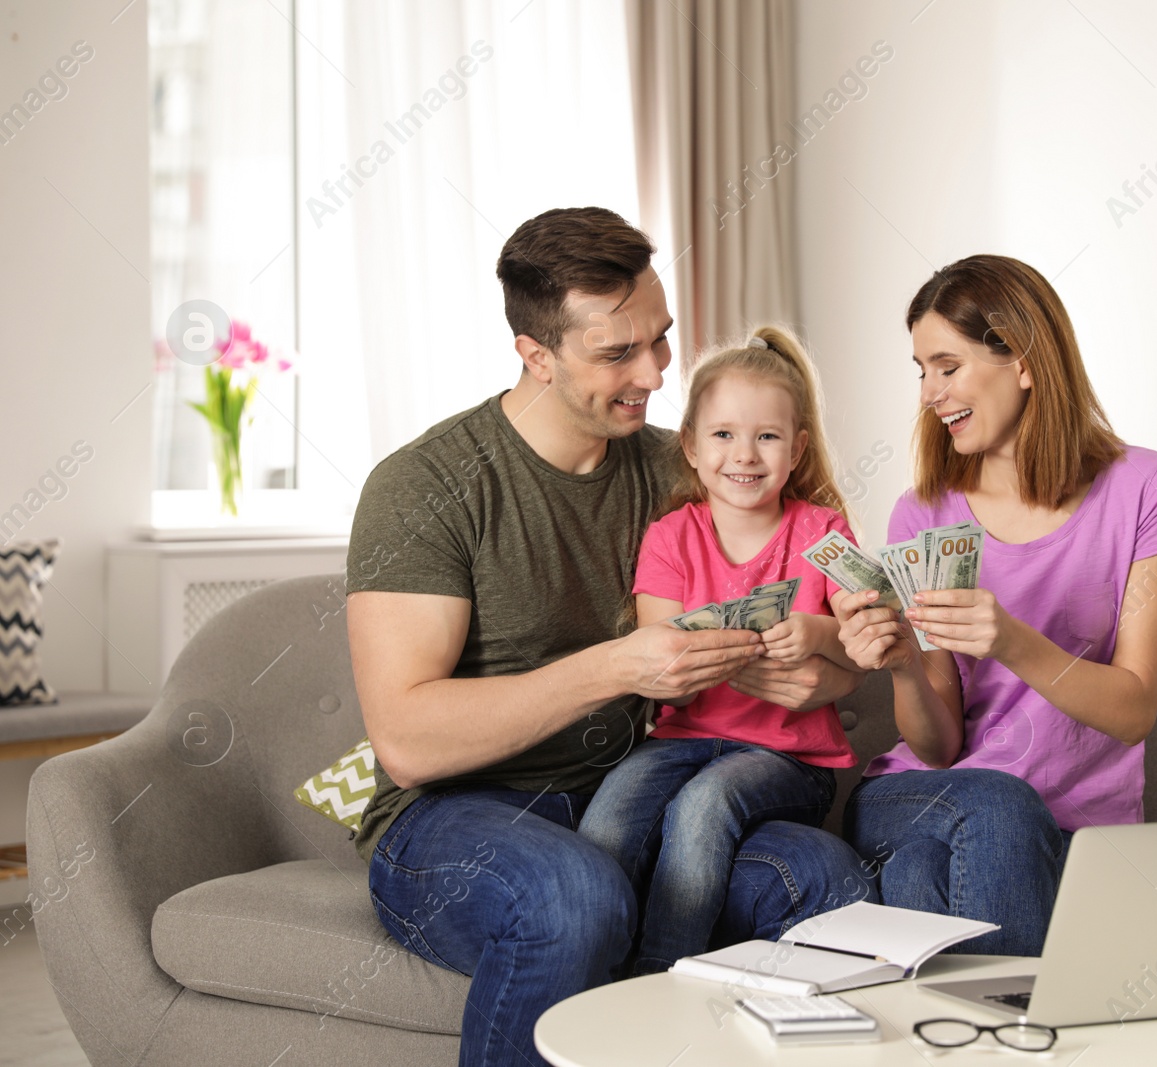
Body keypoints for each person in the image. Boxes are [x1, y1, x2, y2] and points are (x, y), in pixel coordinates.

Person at [345, 207, 870, 1066]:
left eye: (660, 340)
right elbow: (407, 741)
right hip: (456, 816)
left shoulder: (688, 468)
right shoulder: (427, 485)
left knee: (822, 875)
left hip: (641, 791)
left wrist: (824, 665)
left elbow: (825, 567)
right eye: (617, 352)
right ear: (536, 354)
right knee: (575, 894)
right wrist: (617, 665)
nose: (656, 372)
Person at [834, 254, 1157, 956]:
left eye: (947, 366)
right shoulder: (925, 512)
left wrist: (1009, 640)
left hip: (1073, 822)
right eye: (921, 370)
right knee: (993, 803)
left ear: (1024, 362)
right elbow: (938, 748)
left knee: (919, 875)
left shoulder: (1149, 490)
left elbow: (1134, 709)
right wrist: (907, 665)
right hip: (924, 796)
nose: (929, 394)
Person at [579, 325, 862, 975]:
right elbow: (662, 658)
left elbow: (871, 639)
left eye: (767, 436)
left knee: (705, 806)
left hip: (788, 755)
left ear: (797, 448)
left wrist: (819, 633)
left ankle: (659, 976)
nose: (746, 454)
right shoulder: (671, 537)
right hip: (681, 739)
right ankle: (595, 965)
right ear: (692, 446)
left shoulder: (823, 530)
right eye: (724, 434)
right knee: (612, 812)